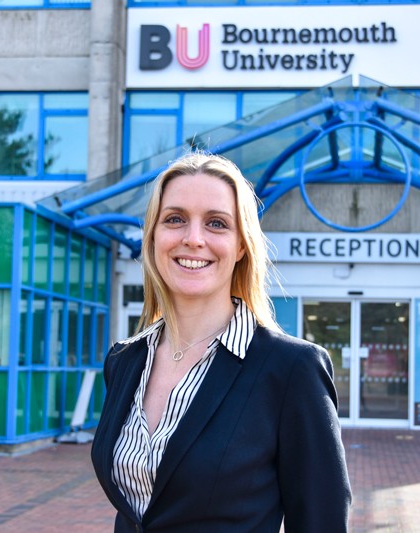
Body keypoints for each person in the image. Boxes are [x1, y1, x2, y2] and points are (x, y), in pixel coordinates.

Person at [91, 152, 351, 533]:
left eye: (216, 223)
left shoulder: (292, 369)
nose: (193, 239)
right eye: (175, 219)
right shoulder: (125, 360)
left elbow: (321, 523)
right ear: (153, 236)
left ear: (242, 245)